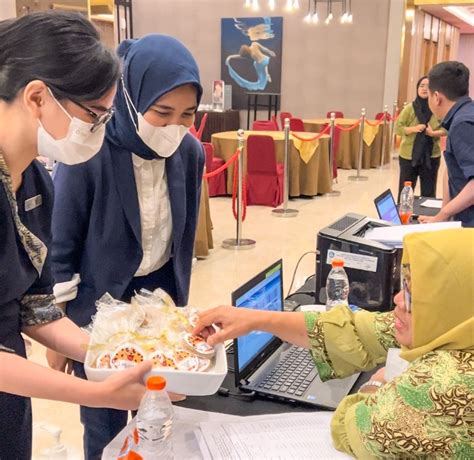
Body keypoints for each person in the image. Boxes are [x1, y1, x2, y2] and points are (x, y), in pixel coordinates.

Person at [0, 12, 151, 460]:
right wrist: (97, 393)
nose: (98, 131)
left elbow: (34, 307)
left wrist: (112, 355)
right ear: (38, 96)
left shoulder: (33, 182)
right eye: (94, 115)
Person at [49, 34, 204, 459]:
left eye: (188, 114)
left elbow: (184, 234)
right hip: (96, 305)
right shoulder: (90, 150)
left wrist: (179, 306)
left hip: (159, 299)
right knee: (102, 417)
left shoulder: (188, 152)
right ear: (132, 100)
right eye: (162, 112)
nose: (175, 125)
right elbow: (61, 243)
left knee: (155, 410)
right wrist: (59, 334)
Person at [194, 229, 473, 458]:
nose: (398, 301)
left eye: (413, 296)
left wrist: (376, 384)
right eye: (404, 288)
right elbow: (354, 330)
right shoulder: (458, 322)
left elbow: (354, 428)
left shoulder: (445, 383)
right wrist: (255, 319)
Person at [419, 61, 474, 227]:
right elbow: (453, 168)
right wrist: (444, 213)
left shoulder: (463, 124)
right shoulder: (463, 115)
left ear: (436, 97)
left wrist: (443, 214)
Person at [395, 76, 446, 200]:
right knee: (405, 192)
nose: (424, 89)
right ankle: (403, 218)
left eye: (428, 86)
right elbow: (398, 128)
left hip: (431, 156)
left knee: (428, 192)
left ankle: (425, 218)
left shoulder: (438, 109)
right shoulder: (410, 108)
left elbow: (447, 129)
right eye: (421, 86)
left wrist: (433, 133)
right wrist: (413, 129)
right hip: (409, 156)